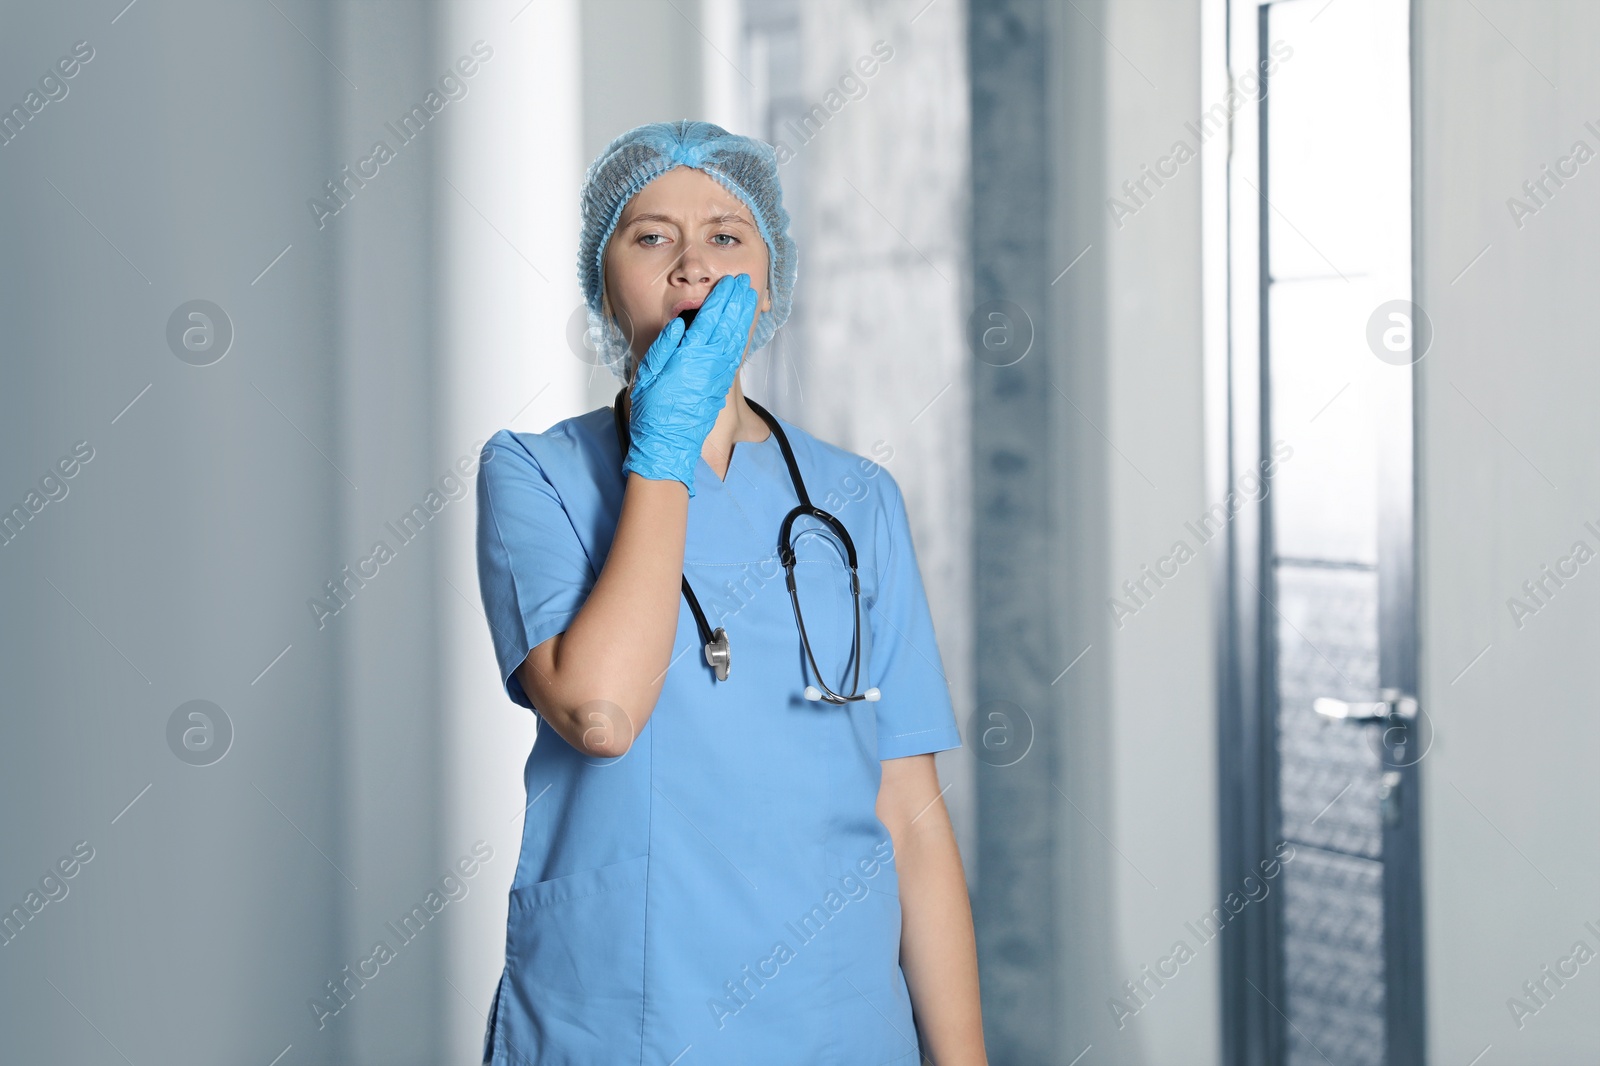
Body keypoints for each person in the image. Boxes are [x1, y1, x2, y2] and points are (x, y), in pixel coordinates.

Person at [474, 120, 986, 1065]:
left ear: (770, 278)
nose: (690, 267)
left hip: (833, 1019)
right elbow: (600, 714)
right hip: (625, 1017)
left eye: (725, 235)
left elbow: (910, 817)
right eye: (651, 235)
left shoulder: (853, 500)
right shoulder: (535, 475)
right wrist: (662, 451)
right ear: (602, 278)